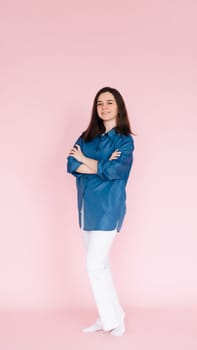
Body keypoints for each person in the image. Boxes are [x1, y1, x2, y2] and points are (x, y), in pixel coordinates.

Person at [67, 86, 135, 336]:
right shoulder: (87, 136)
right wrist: (98, 164)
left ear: (118, 106)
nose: (104, 107)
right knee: (101, 266)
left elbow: (116, 171)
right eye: (99, 103)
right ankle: (111, 315)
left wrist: (87, 161)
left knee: (93, 266)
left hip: (109, 208)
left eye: (109, 103)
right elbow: (71, 163)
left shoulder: (124, 140)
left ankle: (113, 318)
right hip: (86, 208)